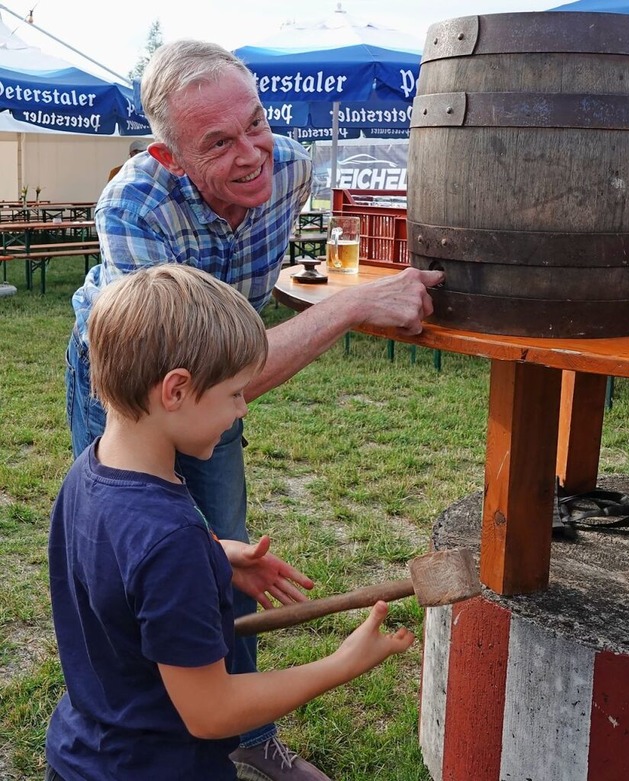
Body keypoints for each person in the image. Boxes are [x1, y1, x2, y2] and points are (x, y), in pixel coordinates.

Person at [65, 38, 443, 781]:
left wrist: (209, 550)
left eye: (257, 123)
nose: (252, 155)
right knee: (138, 548)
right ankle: (165, 705)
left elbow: (219, 376)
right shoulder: (133, 205)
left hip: (204, 381)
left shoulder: (293, 168)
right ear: (170, 157)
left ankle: (242, 732)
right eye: (219, 142)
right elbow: (195, 373)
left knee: (212, 551)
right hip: (124, 378)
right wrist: (353, 306)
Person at [46, 265, 415, 781]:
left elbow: (118, 573)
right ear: (175, 390)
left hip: (85, 752)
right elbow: (211, 711)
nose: (242, 410)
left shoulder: (89, 471)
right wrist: (341, 664)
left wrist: (214, 556)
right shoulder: (171, 541)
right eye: (235, 394)